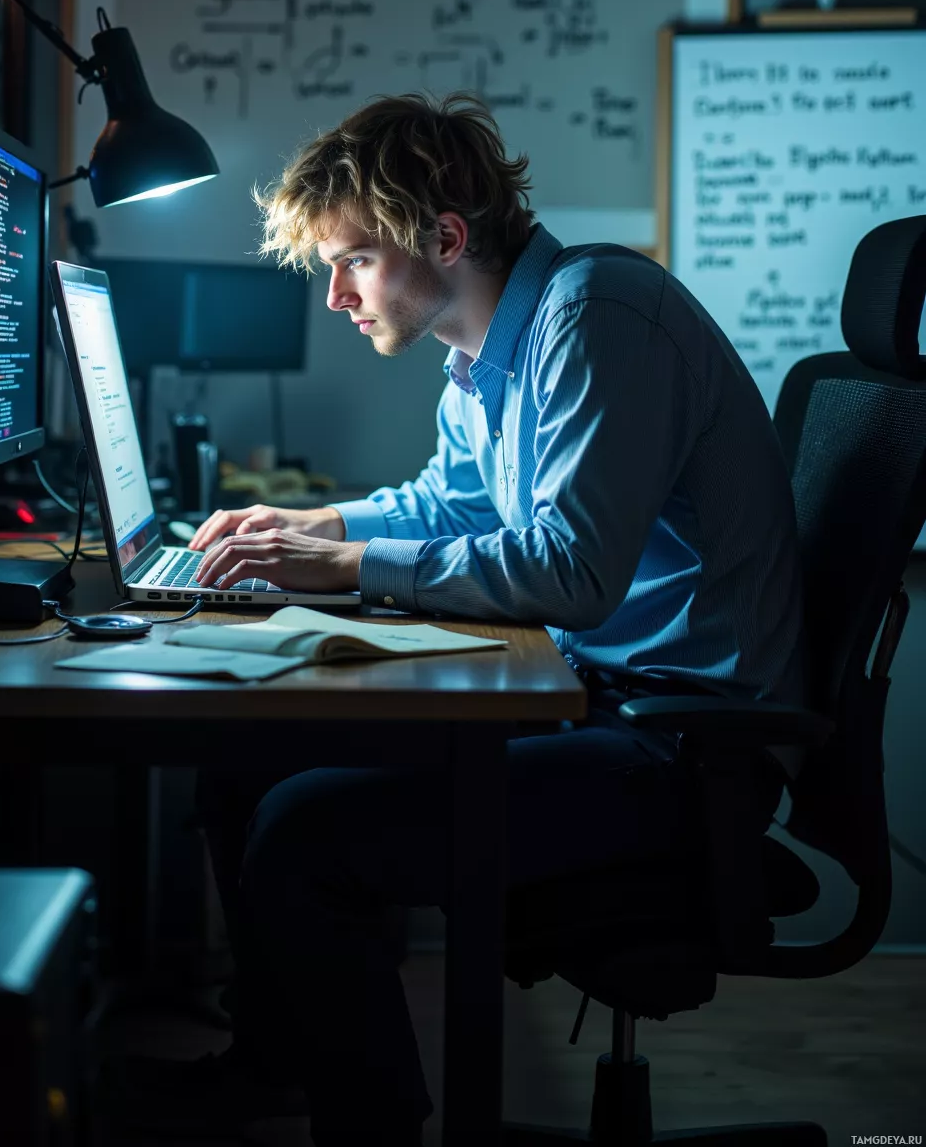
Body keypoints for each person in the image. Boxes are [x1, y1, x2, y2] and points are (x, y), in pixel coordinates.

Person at [129, 93, 804, 1146]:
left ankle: (375, 1132)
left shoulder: (598, 317)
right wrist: (301, 523)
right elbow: (454, 503)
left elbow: (568, 570)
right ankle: (277, 1066)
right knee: (244, 763)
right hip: (597, 707)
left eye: (350, 262)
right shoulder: (484, 355)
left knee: (306, 833)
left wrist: (338, 562)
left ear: (443, 237)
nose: (338, 298)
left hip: (674, 749)